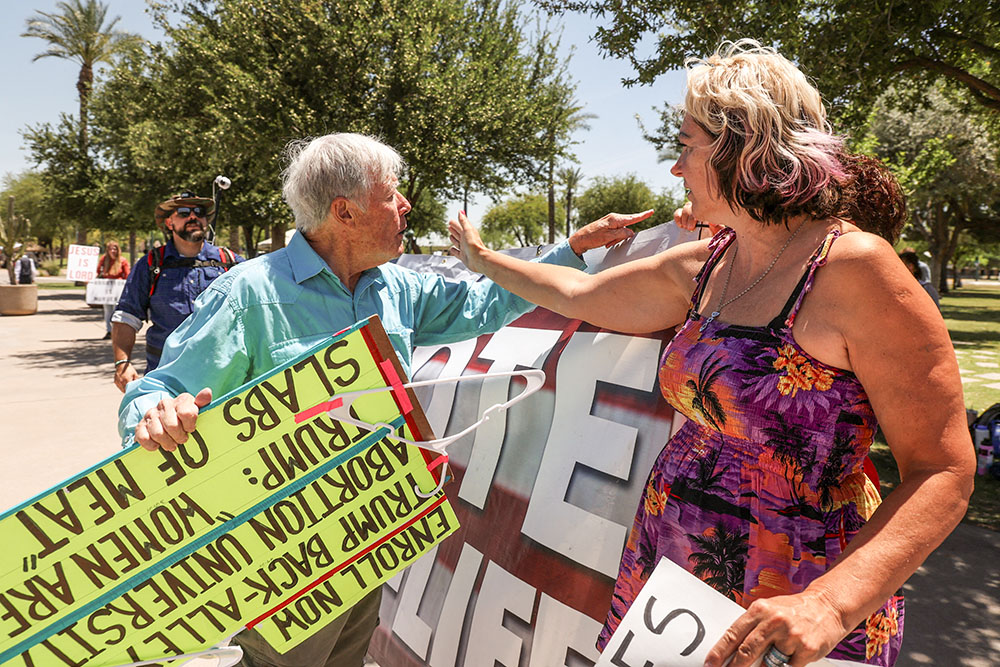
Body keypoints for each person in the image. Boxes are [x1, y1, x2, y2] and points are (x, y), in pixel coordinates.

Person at [448, 40, 974, 667]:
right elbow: (579, 292)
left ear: (742, 148)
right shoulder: (706, 264)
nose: (675, 168)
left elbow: (943, 470)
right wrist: (483, 260)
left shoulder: (856, 271)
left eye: (685, 145)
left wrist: (831, 605)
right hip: (671, 569)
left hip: (798, 593)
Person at [117, 133, 641, 667]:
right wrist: (155, 418)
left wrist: (573, 249)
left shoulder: (398, 288)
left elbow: (488, 303)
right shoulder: (249, 294)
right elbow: (158, 391)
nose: (407, 205)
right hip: (285, 551)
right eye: (392, 194)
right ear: (344, 211)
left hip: (369, 536)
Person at [110, 191, 242, 391]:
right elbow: (127, 317)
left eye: (199, 212)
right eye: (183, 212)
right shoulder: (151, 264)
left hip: (225, 377)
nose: (193, 217)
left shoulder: (230, 262)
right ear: (169, 223)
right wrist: (122, 363)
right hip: (165, 378)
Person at [96, 240, 130, 339]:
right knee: (107, 310)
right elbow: (98, 271)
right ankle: (109, 330)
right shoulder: (104, 259)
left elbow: (127, 275)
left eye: (114, 248)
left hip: (117, 288)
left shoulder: (122, 261)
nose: (112, 251)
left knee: (117, 310)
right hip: (106, 288)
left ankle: (117, 331)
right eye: (110, 248)